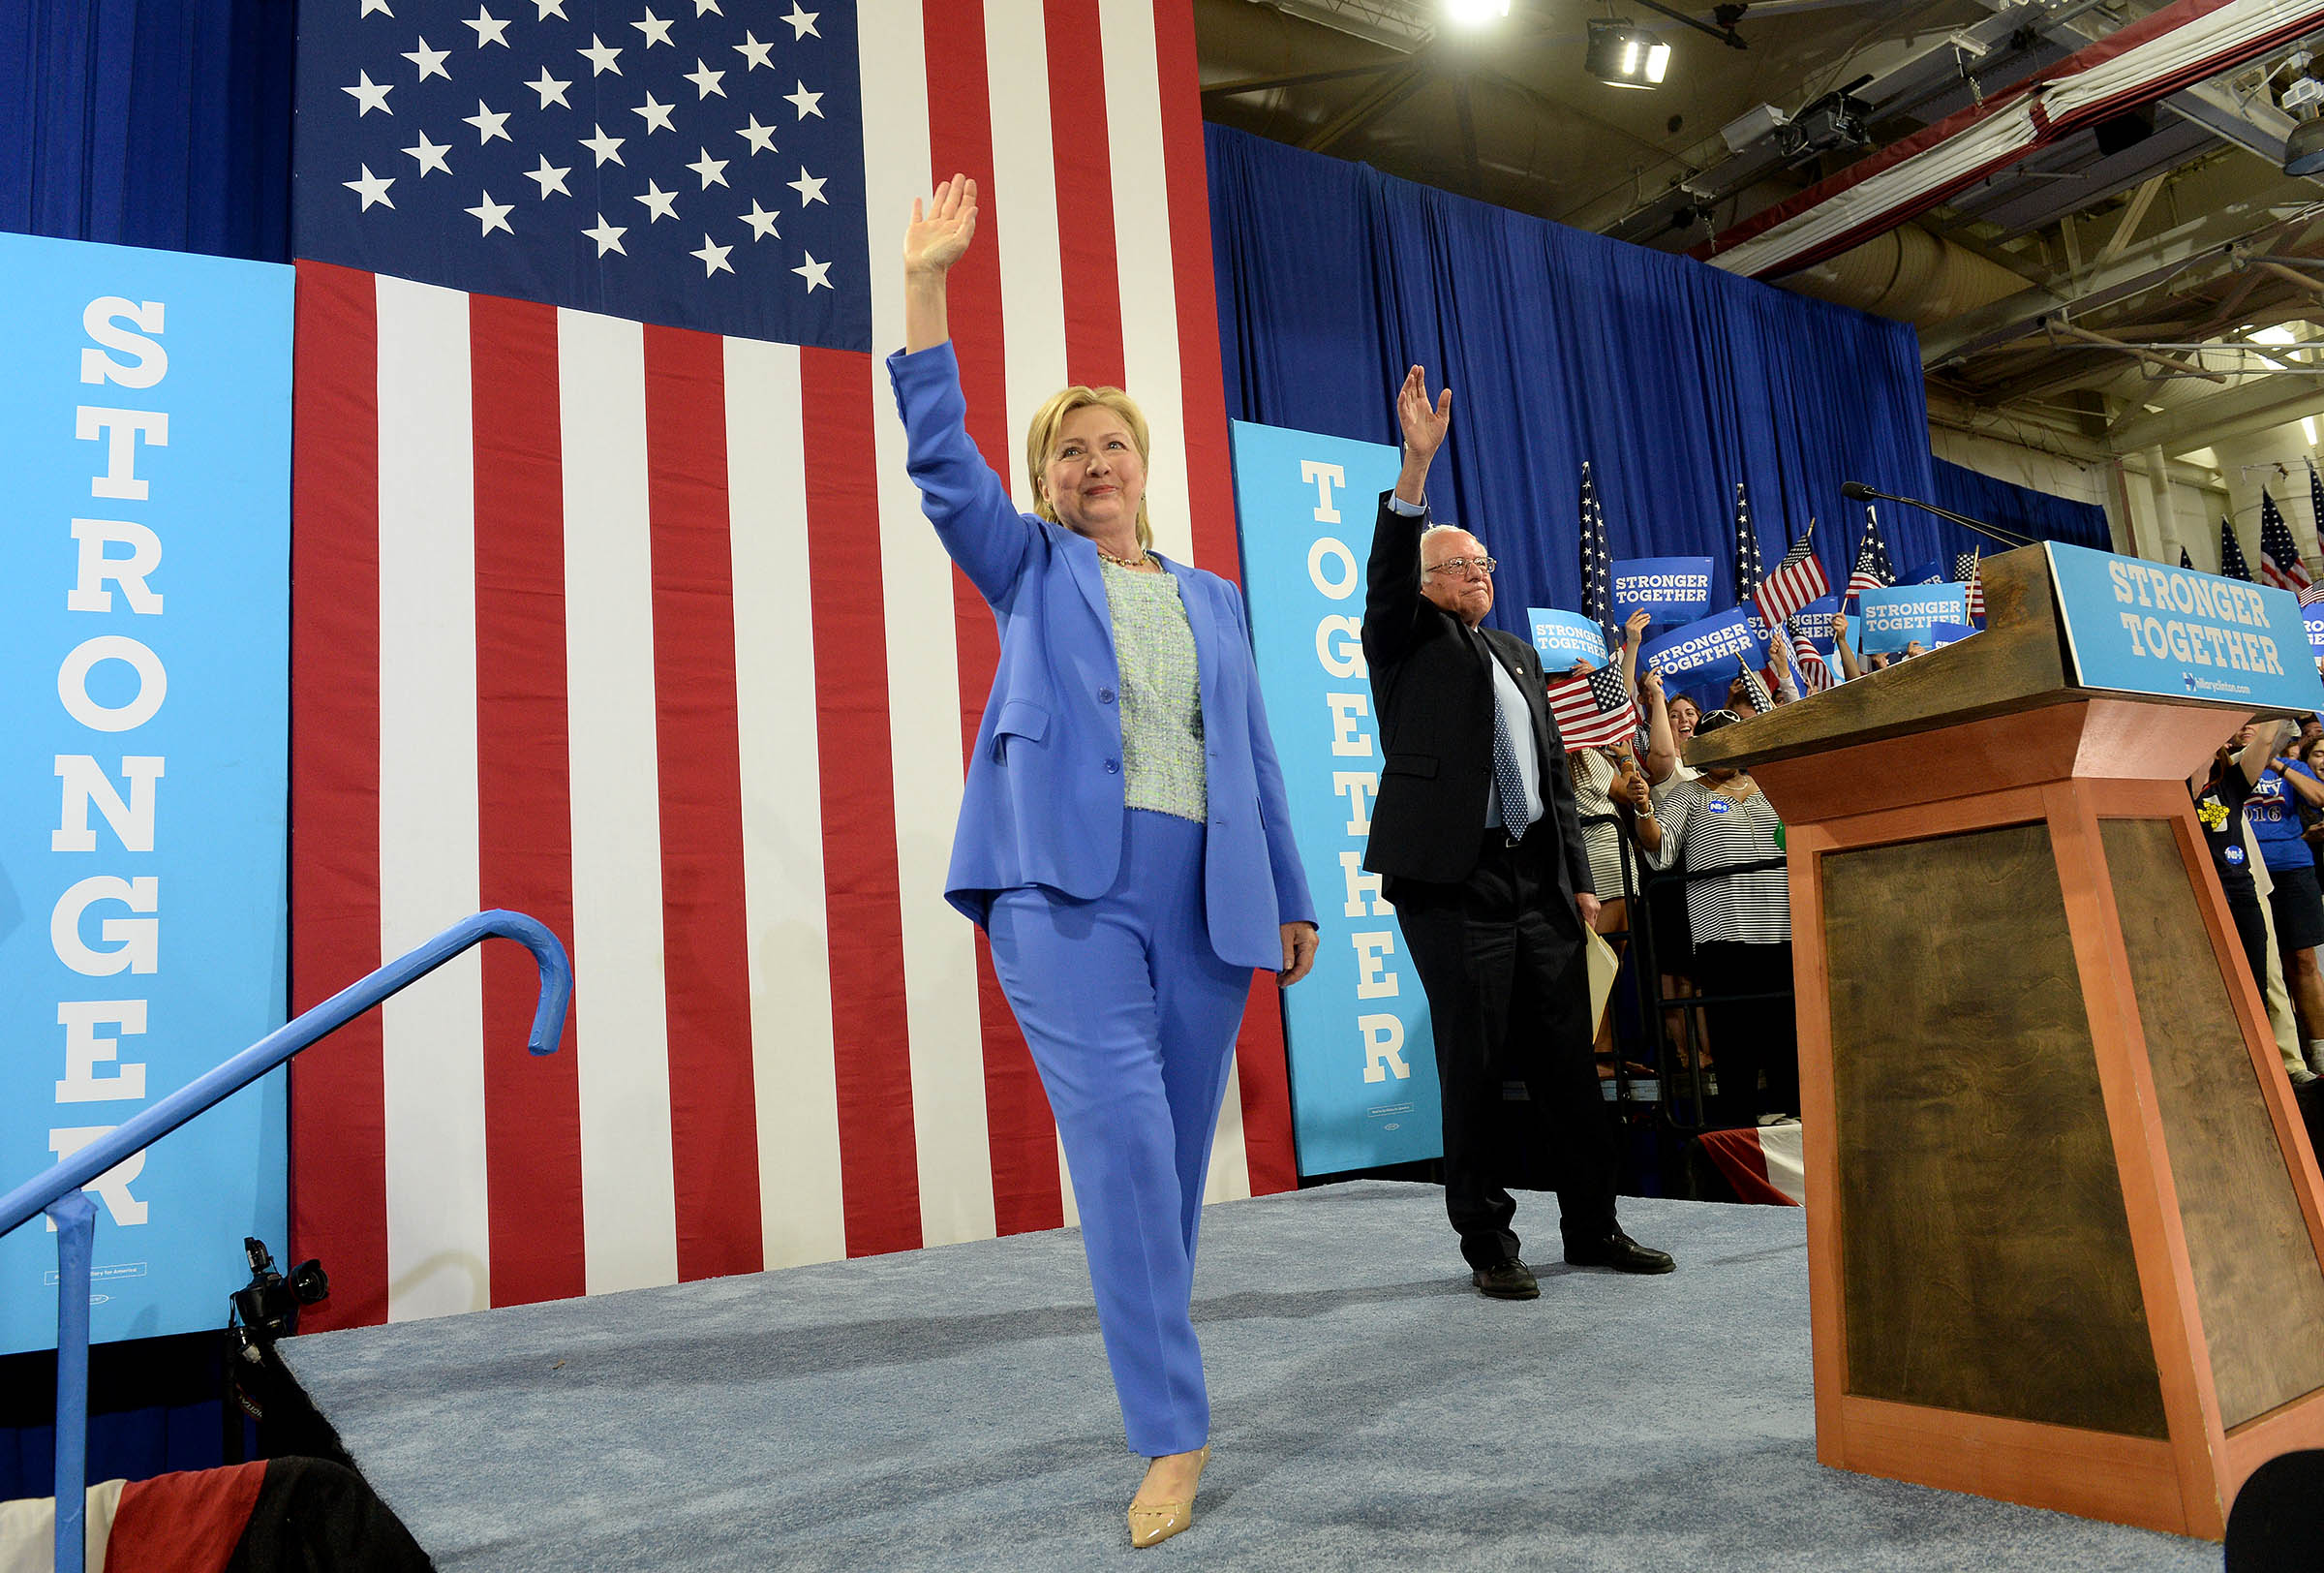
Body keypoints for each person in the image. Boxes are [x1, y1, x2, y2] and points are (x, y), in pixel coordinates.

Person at [891, 174, 1318, 1550]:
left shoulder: (1215, 598)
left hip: (1210, 902)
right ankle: (1174, 1431)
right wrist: (929, 288)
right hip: (1064, 895)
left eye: (1110, 445)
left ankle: (1157, 1362)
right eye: (1067, 451)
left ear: (1143, 464)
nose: (1092, 465)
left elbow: (1253, 757)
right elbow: (941, 461)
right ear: (1045, 483)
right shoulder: (1028, 569)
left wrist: (1295, 896)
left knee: (1171, 1168)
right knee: (1129, 1156)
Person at [1361, 363, 1672, 1299]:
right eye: (1463, 567)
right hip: (1451, 885)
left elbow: (1544, 766)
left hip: (1536, 882)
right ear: (1428, 579)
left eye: (1487, 566)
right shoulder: (1403, 636)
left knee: (1568, 1063)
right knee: (1474, 1061)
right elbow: (1389, 570)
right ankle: (1490, 1244)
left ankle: (1593, 1226)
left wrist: (1576, 872)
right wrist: (1414, 471)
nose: (1481, 576)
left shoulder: (1521, 654)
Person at [1637, 709, 1797, 1126]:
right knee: (1736, 1042)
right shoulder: (1686, 795)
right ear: (1700, 748)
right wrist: (1642, 811)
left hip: (1786, 930)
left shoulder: (1773, 788)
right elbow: (1661, 848)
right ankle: (1741, 1130)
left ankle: (1795, 1126)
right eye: (1715, 738)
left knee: (1789, 1038)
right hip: (1725, 935)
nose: (1725, 745)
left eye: (1733, 736)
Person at [2249, 729, 2324, 1065]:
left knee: (2304, 961)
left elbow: (2319, 798)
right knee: (2265, 967)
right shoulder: (2229, 765)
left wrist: (2277, 765)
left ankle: (2319, 1051)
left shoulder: (2291, 767)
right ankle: (2280, 1056)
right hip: (2244, 873)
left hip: (2293, 869)